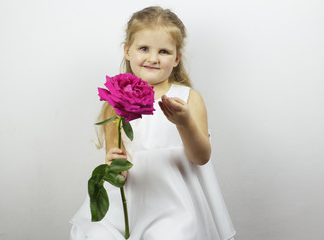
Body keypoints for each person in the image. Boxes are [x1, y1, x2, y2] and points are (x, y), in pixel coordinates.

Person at [70, 6, 236, 240]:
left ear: (177, 58)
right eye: (144, 48)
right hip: (128, 204)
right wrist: (113, 165)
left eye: (164, 51)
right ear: (127, 51)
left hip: (174, 206)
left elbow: (201, 157)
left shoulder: (188, 99)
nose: (153, 58)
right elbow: (118, 165)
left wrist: (185, 122)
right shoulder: (114, 104)